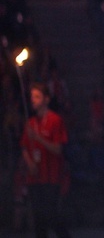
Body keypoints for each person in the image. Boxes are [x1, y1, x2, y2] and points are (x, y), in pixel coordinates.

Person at [20, 82, 71, 238]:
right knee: (38, 220)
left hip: (51, 176)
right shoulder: (30, 123)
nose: (33, 100)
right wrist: (29, 163)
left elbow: (58, 148)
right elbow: (23, 147)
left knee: (51, 215)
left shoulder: (56, 120)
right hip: (34, 177)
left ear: (46, 99)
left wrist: (38, 138)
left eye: (37, 96)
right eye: (32, 97)